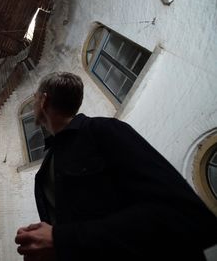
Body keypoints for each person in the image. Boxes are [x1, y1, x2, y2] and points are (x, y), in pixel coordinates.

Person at [15, 72, 217, 261]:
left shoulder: (103, 130)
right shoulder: (47, 167)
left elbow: (184, 215)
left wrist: (61, 240)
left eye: (34, 99)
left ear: (43, 100)